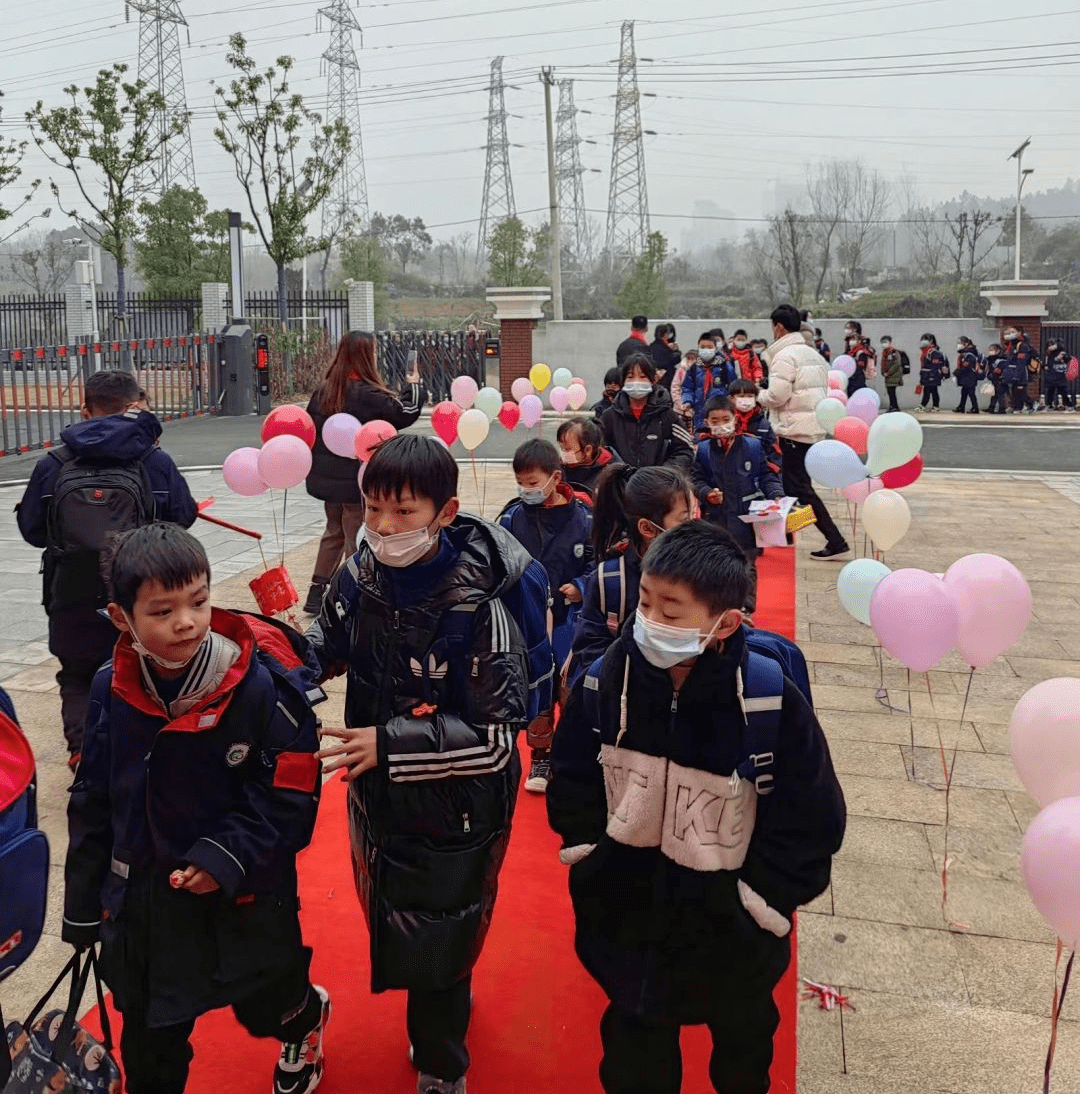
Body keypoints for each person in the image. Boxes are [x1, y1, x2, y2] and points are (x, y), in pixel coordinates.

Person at [548, 520, 845, 1094]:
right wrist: (590, 859)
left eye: (672, 611)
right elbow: (574, 778)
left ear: (724, 623)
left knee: (741, 1062)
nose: (649, 621)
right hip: (628, 927)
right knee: (634, 1067)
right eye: (645, 601)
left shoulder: (766, 697)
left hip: (734, 938)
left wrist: (763, 905)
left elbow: (812, 817)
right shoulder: (605, 682)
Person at [305, 434, 552, 1094]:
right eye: (375, 509)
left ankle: (443, 1067)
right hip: (381, 798)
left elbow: (499, 739)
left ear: (445, 511)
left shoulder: (482, 602)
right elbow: (325, 642)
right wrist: (279, 662)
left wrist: (389, 744)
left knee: (442, 936)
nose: (385, 528)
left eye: (404, 512)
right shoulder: (363, 572)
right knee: (407, 919)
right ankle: (441, 1009)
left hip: (459, 807)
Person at [63, 523, 330, 1094]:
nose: (186, 621)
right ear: (122, 619)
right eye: (162, 611)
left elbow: (290, 795)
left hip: (244, 897)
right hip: (145, 906)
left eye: (199, 602)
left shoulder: (261, 690)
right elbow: (91, 801)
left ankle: (305, 1019)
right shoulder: (112, 688)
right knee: (151, 1045)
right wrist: (84, 906)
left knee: (269, 1006)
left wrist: (224, 857)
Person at [16, 370, 197, 772]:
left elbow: (31, 530)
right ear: (136, 405)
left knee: (78, 676)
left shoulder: (54, 462)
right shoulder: (153, 459)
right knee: (146, 674)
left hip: (71, 592)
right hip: (143, 595)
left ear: (85, 410)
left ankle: (82, 752)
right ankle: (141, 757)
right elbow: (183, 517)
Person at [303, 331, 424, 615]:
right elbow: (405, 412)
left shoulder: (324, 390)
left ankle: (315, 592)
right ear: (368, 357)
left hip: (326, 480)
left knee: (333, 530)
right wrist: (414, 385)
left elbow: (310, 430)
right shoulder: (369, 395)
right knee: (354, 534)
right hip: (355, 482)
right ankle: (351, 594)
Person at [500, 439, 593, 793]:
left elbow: (598, 562)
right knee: (536, 685)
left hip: (572, 617)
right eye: (521, 483)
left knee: (570, 687)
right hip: (529, 616)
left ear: (555, 478)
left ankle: (570, 756)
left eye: (533, 483)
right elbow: (496, 562)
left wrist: (582, 585)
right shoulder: (510, 518)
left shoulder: (585, 518)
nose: (526, 490)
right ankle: (540, 755)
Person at [566, 463, 694, 690]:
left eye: (693, 515)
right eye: (684, 520)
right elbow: (589, 650)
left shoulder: (700, 572)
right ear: (647, 528)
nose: (693, 527)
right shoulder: (611, 581)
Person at [758, 304, 850, 560]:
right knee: (794, 487)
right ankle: (787, 534)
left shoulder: (785, 356)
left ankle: (835, 539)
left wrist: (759, 394)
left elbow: (777, 395)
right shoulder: (812, 354)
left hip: (793, 431)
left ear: (778, 326)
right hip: (811, 429)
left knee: (799, 488)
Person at [691, 395, 784, 560]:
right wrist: (706, 493)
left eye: (726, 419)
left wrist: (776, 494)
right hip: (715, 521)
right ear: (707, 423)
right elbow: (695, 479)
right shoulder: (704, 450)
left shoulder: (753, 446)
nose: (721, 425)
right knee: (718, 569)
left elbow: (766, 475)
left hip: (746, 523)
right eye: (715, 421)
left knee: (747, 569)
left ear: (735, 419)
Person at [601, 355, 694, 471]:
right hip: (620, 485)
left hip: (657, 485)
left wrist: (663, 473)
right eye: (630, 377)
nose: (636, 382)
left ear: (653, 380)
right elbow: (600, 451)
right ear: (623, 381)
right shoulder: (609, 417)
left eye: (642, 377)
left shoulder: (667, 416)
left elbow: (684, 451)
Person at [681, 332, 737, 435]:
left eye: (709, 347)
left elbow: (733, 385)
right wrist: (687, 401)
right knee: (701, 441)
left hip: (719, 413)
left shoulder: (724, 366)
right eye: (703, 347)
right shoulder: (694, 368)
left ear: (715, 348)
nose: (706, 350)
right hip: (699, 414)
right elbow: (687, 387)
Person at [557, 416, 623, 496]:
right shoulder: (557, 469)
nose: (563, 454)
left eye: (567, 450)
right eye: (561, 448)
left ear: (587, 450)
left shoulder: (614, 476)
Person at [728, 378, 782, 474]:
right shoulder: (726, 422)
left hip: (758, 472)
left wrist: (770, 470)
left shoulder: (763, 424)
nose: (746, 400)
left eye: (750, 396)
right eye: (741, 396)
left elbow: (774, 452)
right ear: (731, 398)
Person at [917, 332, 949, 412]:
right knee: (931, 391)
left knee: (930, 391)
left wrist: (931, 376)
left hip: (933, 376)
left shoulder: (934, 352)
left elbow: (935, 366)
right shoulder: (925, 352)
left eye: (926, 340)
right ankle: (932, 406)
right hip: (927, 376)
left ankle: (928, 405)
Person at [1043, 338, 1076, 411]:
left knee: (1063, 391)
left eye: (1052, 345)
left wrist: (1062, 356)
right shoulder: (1048, 354)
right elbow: (1047, 364)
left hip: (1060, 375)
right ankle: (1049, 405)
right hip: (1051, 375)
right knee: (1050, 391)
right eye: (1049, 345)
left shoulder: (1061, 352)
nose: (1050, 347)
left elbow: (1068, 358)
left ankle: (1068, 405)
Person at [649, 323, 680, 393]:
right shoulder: (665, 348)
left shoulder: (651, 346)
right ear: (665, 335)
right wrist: (676, 351)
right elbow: (674, 360)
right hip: (667, 380)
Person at [953, 346, 981, 414]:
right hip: (967, 379)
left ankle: (975, 408)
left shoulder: (969, 356)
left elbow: (966, 366)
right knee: (964, 393)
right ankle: (961, 407)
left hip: (970, 378)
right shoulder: (966, 356)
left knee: (971, 394)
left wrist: (957, 372)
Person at [880, 335, 903, 411]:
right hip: (888, 376)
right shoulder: (884, 353)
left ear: (890, 343)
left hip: (893, 376)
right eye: (882, 342)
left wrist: (888, 373)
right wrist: (883, 372)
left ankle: (894, 406)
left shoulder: (894, 352)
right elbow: (883, 364)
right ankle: (892, 405)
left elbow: (897, 364)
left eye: (885, 342)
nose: (884, 344)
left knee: (892, 391)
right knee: (890, 392)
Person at [985, 342, 1008, 414]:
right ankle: (991, 407)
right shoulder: (990, 359)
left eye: (993, 350)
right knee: (994, 394)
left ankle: (1002, 408)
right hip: (994, 378)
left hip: (1000, 379)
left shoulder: (1002, 359)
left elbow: (1000, 369)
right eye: (990, 350)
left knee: (1000, 394)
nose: (991, 351)